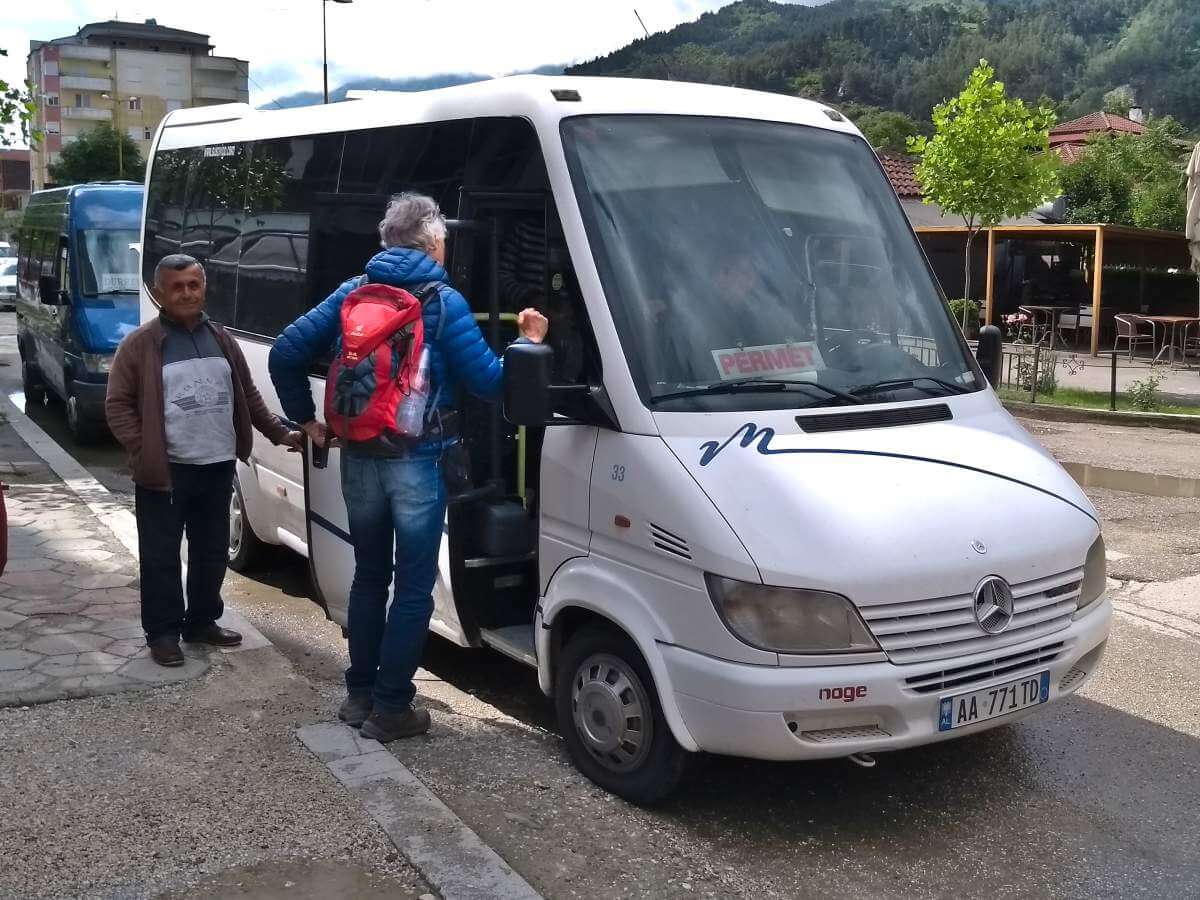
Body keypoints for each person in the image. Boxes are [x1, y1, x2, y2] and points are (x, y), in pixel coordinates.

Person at [269, 193, 548, 742]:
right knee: (415, 585)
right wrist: (527, 341)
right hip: (417, 459)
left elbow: (285, 353)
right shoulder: (444, 302)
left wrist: (307, 421)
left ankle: (359, 696)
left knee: (370, 574)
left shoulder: (353, 290)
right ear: (435, 242)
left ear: (387, 241)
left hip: (359, 456)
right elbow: (493, 384)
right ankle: (393, 706)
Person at [106, 254, 302, 668]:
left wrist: (281, 433)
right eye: (177, 287)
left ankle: (201, 622)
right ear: (158, 293)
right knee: (160, 557)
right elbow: (118, 405)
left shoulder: (222, 339)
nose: (187, 293)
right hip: (166, 474)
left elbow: (248, 397)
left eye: (194, 285)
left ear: (204, 287)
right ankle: (162, 633)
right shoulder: (141, 345)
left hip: (217, 466)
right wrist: (144, 451)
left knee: (211, 553)